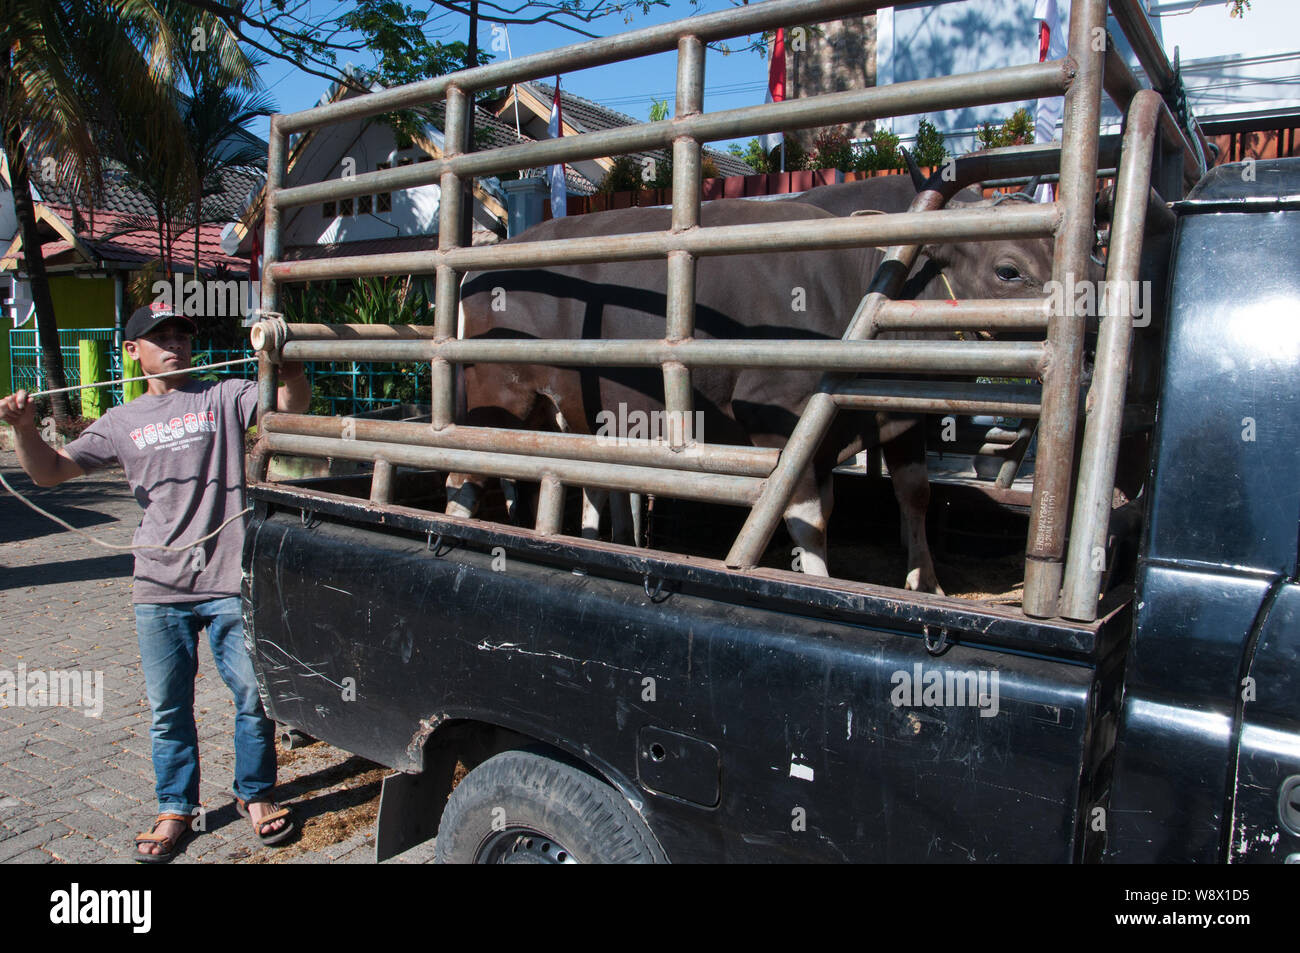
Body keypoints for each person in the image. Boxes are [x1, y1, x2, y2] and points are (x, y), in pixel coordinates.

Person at [0, 302, 311, 862]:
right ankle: (175, 807)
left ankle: (255, 795)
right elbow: (48, 473)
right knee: (169, 708)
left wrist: (282, 363)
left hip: (226, 581)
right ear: (131, 351)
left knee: (251, 696)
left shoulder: (223, 396)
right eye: (158, 336)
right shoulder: (120, 423)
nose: (174, 345)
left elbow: (289, 408)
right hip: (158, 589)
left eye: (182, 336)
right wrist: (24, 430)